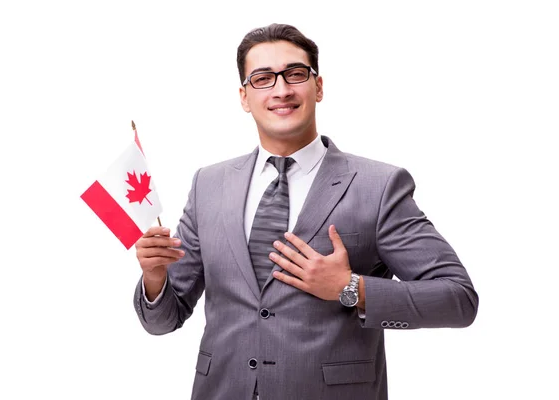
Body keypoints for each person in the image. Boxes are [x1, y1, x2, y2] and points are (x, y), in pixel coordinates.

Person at [133, 23, 478, 400]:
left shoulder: (378, 186)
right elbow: (162, 321)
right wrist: (154, 278)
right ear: (244, 97)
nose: (281, 90)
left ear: (318, 87)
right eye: (263, 78)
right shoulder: (208, 186)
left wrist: (351, 289)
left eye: (295, 74)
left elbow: (457, 299)